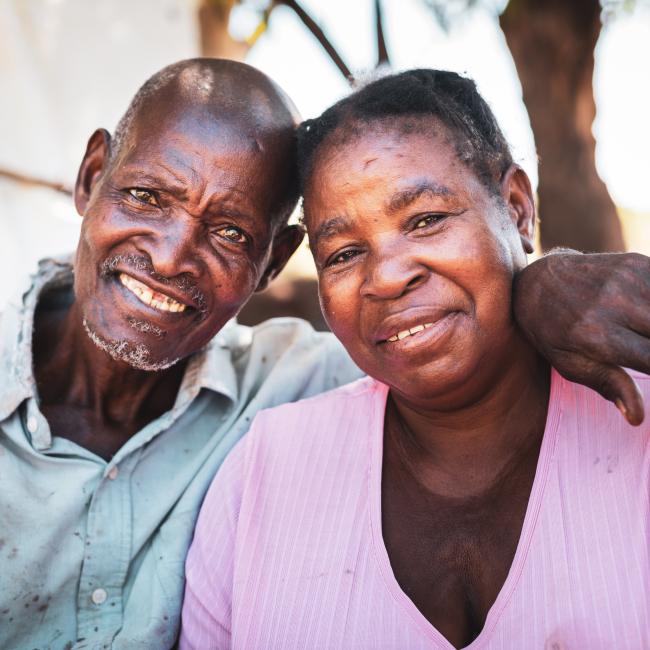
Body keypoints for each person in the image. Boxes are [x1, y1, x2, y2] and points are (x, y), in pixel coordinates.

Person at [180, 69, 650, 649]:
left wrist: (543, 275)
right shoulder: (261, 474)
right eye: (345, 253)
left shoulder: (638, 419)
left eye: (426, 221)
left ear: (518, 210)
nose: (387, 276)